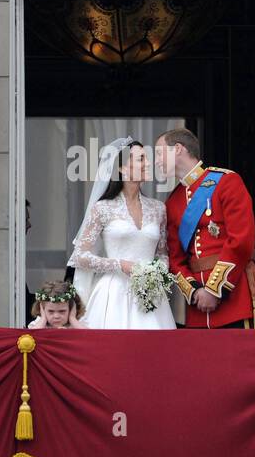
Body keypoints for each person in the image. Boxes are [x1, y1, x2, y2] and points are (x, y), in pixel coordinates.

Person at [154, 128, 255, 329]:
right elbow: (175, 259)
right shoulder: (173, 201)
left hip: (234, 299)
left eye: (159, 153)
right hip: (198, 307)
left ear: (178, 149)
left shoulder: (226, 182)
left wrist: (214, 290)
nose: (156, 161)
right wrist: (195, 291)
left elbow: (241, 241)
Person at [68, 138, 176, 330]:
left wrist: (157, 272)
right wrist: (120, 265)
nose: (148, 163)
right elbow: (80, 256)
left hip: (151, 295)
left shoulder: (158, 209)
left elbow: (162, 253)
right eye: (141, 159)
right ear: (122, 168)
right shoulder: (102, 208)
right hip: (113, 293)